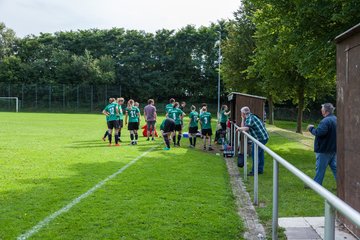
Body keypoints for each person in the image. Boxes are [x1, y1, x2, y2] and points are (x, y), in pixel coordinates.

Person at [307, 103, 337, 186]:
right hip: (333, 149)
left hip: (324, 150)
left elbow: (319, 133)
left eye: (322, 108)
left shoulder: (325, 121)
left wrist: (311, 128)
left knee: (320, 169)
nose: (321, 110)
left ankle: (316, 185)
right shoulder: (336, 119)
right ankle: (343, 185)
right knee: (336, 169)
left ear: (325, 111)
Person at [237, 106, 269, 176]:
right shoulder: (249, 117)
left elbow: (245, 128)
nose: (241, 114)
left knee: (255, 154)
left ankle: (254, 171)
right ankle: (260, 170)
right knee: (260, 154)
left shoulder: (250, 118)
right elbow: (243, 127)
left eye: (241, 113)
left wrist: (239, 129)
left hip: (261, 138)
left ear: (243, 113)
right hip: (264, 137)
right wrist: (242, 119)